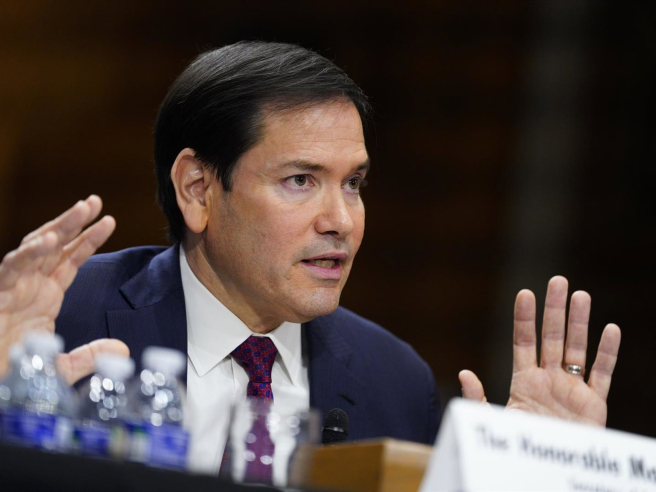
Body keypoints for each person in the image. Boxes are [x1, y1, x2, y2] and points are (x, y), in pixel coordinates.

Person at [0, 42, 620, 473]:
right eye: (301, 180)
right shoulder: (60, 320)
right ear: (198, 189)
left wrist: (530, 471)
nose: (341, 220)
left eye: (353, 183)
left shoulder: (395, 385)